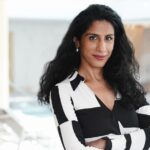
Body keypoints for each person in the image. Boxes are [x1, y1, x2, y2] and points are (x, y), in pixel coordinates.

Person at [38, 4, 150, 150]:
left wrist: (106, 144)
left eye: (108, 38)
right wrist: (139, 140)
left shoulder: (128, 85)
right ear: (77, 41)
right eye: (93, 38)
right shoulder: (63, 91)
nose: (102, 48)